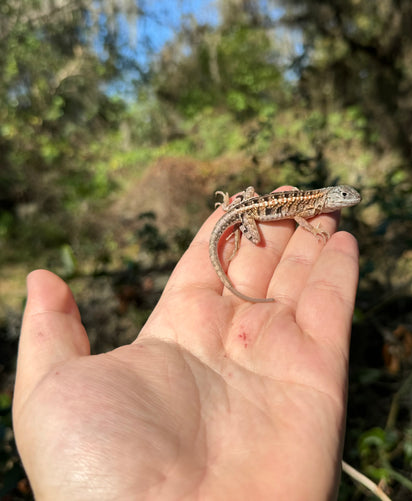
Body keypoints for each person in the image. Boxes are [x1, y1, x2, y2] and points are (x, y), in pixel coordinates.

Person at [13, 187, 359, 501]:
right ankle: (235, 222)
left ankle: (232, 212)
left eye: (345, 197)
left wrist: (238, 210)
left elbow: (293, 211)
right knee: (256, 240)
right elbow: (299, 217)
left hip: (243, 208)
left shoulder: (309, 200)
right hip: (245, 213)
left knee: (251, 213)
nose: (346, 200)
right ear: (329, 197)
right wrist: (306, 228)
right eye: (343, 196)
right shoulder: (307, 204)